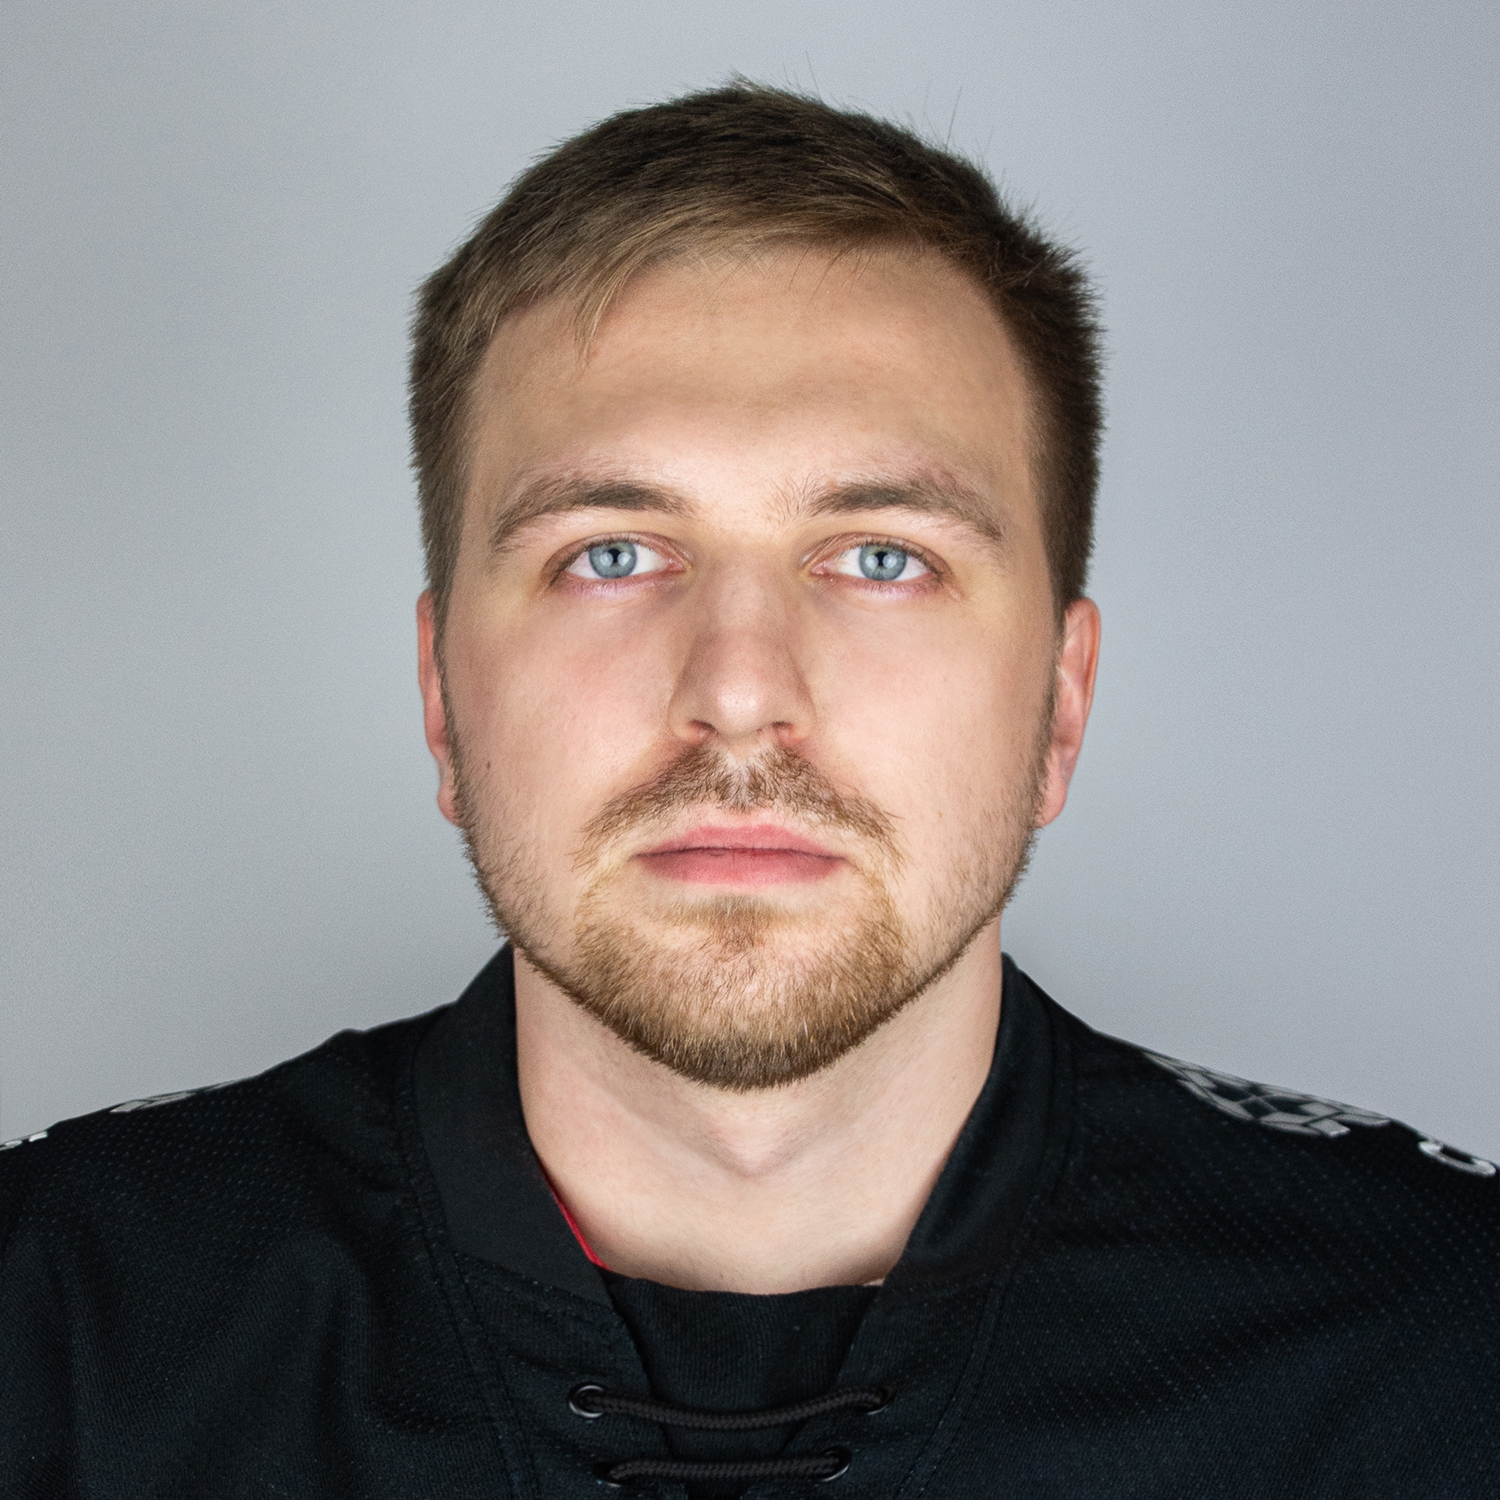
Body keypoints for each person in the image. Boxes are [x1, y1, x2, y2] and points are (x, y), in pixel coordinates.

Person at [2, 82, 1497, 1499]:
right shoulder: (54, 1318)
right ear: (443, 697)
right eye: (608, 554)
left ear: (1060, 702)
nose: (736, 688)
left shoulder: (1442, 1340)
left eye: (882, 557)